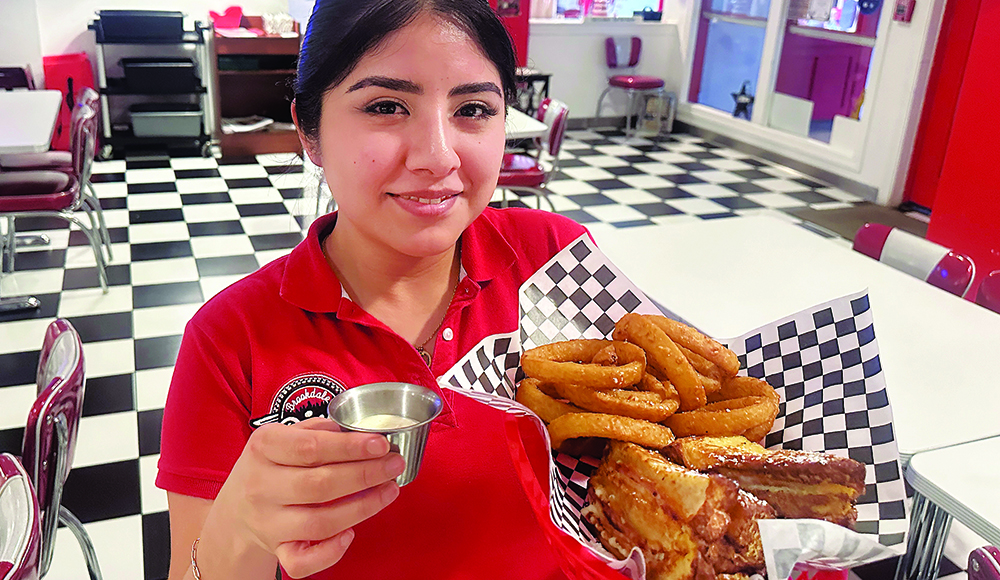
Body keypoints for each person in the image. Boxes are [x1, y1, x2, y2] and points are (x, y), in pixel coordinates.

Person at [158, 1, 619, 578]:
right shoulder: (231, 339)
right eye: (385, 106)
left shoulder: (554, 258)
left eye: (473, 109)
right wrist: (241, 530)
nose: (438, 157)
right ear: (309, 131)